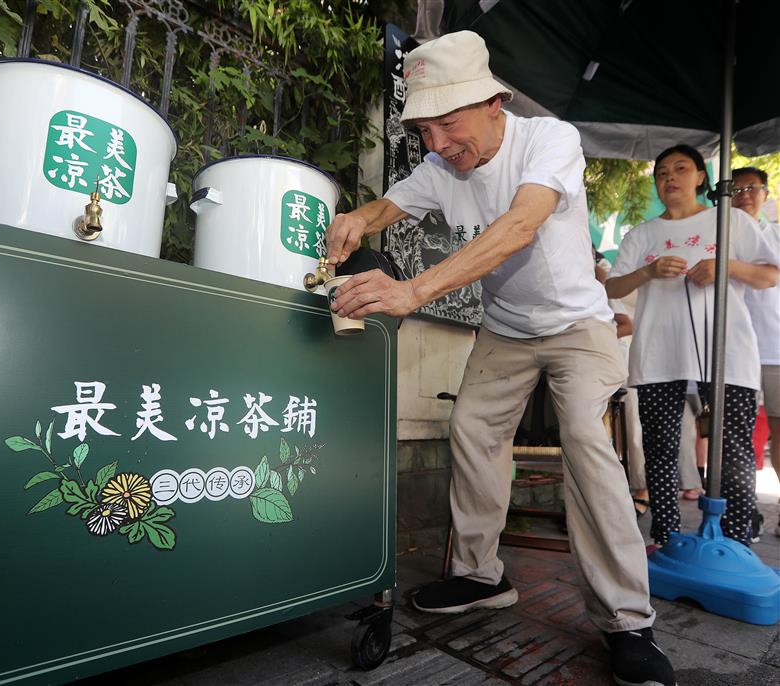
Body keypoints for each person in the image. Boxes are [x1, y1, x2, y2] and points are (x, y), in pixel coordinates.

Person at [325, 30, 676, 686]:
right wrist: (356, 219)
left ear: (495, 102)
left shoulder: (550, 141)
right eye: (424, 130)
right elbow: (389, 204)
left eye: (447, 125)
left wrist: (415, 290)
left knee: (581, 435)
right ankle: (481, 577)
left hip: (579, 325)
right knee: (473, 430)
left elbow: (519, 225)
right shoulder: (439, 166)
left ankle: (628, 620)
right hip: (507, 330)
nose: (437, 145)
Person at [605, 145, 779, 548]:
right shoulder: (642, 235)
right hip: (658, 356)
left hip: (727, 353)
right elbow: (612, 287)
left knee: (732, 448)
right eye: (661, 172)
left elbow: (770, 275)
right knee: (660, 449)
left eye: (680, 168)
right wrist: (648, 271)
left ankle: (734, 540)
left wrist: (725, 267)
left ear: (701, 177)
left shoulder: (731, 221)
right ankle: (666, 536)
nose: (669, 177)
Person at [732, 166, 780, 537]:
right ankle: (743, 511)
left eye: (752, 188)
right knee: (736, 436)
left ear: (765, 193)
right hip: (732, 351)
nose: (745, 194)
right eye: (737, 188)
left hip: (776, 350)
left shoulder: (776, 235)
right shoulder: (719, 234)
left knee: (778, 433)